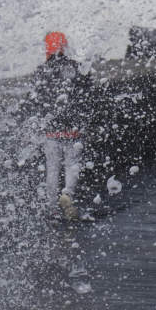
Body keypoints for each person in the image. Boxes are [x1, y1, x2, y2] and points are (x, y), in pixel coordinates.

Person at [18, 31, 95, 220]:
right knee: (72, 165)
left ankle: (51, 207)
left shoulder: (41, 71)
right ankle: (67, 195)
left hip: (51, 128)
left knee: (52, 167)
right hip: (73, 127)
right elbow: (88, 93)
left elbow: (34, 99)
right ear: (65, 47)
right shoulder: (76, 68)